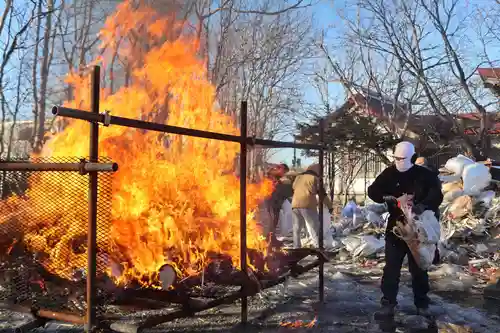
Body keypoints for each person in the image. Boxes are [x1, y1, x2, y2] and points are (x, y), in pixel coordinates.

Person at [367, 141, 443, 319]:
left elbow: (437, 195)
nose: (398, 162)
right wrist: (387, 198)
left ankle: (422, 304)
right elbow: (373, 191)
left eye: (402, 158)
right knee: (391, 268)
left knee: (419, 268)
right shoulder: (390, 173)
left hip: (418, 228)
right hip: (396, 227)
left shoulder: (424, 175)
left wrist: (422, 206)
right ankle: (388, 303)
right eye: (396, 158)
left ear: (412, 158)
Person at [291, 164, 333, 248]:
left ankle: (296, 247)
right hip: (307, 204)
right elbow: (322, 194)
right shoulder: (314, 178)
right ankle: (318, 247)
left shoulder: (298, 178)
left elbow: (293, 187)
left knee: (297, 228)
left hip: (295, 204)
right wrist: (329, 206)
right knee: (314, 227)